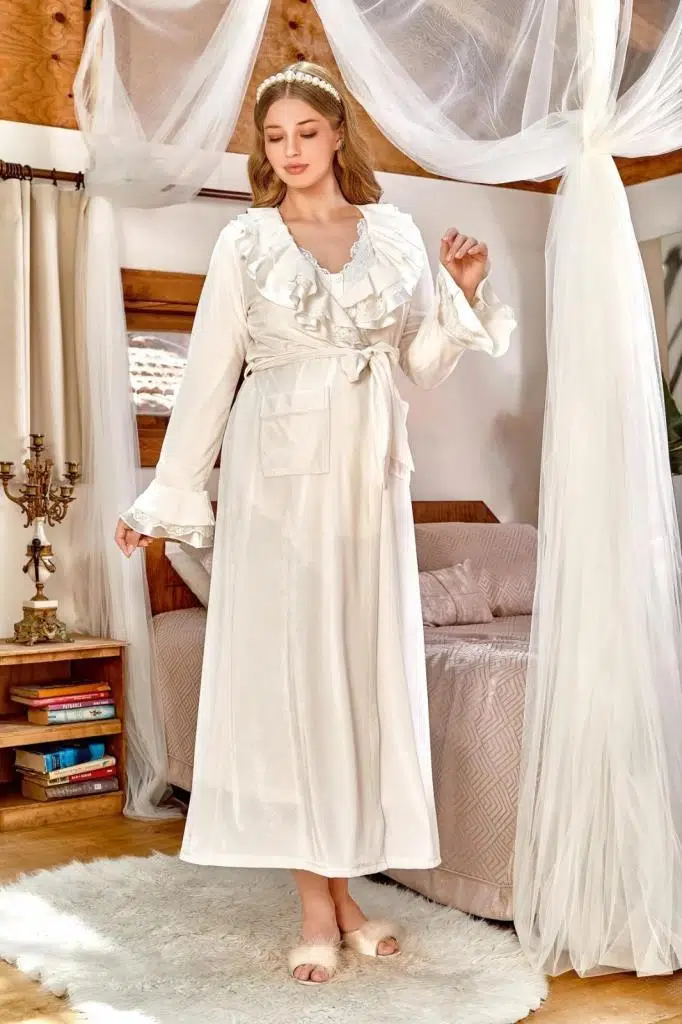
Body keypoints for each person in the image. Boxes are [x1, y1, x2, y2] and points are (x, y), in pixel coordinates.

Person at [115, 62, 517, 986]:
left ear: (337, 134)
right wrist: (166, 498)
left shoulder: (395, 235)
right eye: (275, 137)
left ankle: (344, 899)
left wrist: (460, 290)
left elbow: (422, 362)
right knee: (298, 683)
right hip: (276, 487)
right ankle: (316, 905)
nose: (291, 150)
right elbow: (208, 377)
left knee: (356, 681)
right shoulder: (247, 243)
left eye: (306, 131)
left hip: (367, 486)